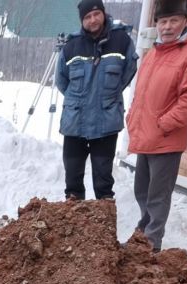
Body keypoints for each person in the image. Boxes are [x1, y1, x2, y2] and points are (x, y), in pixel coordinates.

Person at [126, 0, 187, 250]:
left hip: (166, 139)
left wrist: (164, 124)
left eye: (173, 20)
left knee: (158, 197)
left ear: (184, 21)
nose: (167, 27)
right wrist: (133, 118)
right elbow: (141, 94)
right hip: (147, 137)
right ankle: (143, 235)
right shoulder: (153, 54)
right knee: (142, 191)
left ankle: (151, 243)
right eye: (163, 21)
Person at [56, 0, 138, 200]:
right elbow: (61, 80)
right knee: (73, 181)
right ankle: (74, 224)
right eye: (87, 17)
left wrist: (108, 94)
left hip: (105, 121)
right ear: (82, 20)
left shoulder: (121, 40)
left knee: (103, 181)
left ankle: (104, 225)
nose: (92, 20)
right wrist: (79, 99)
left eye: (96, 14)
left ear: (103, 13)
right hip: (75, 122)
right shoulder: (71, 46)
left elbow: (128, 71)